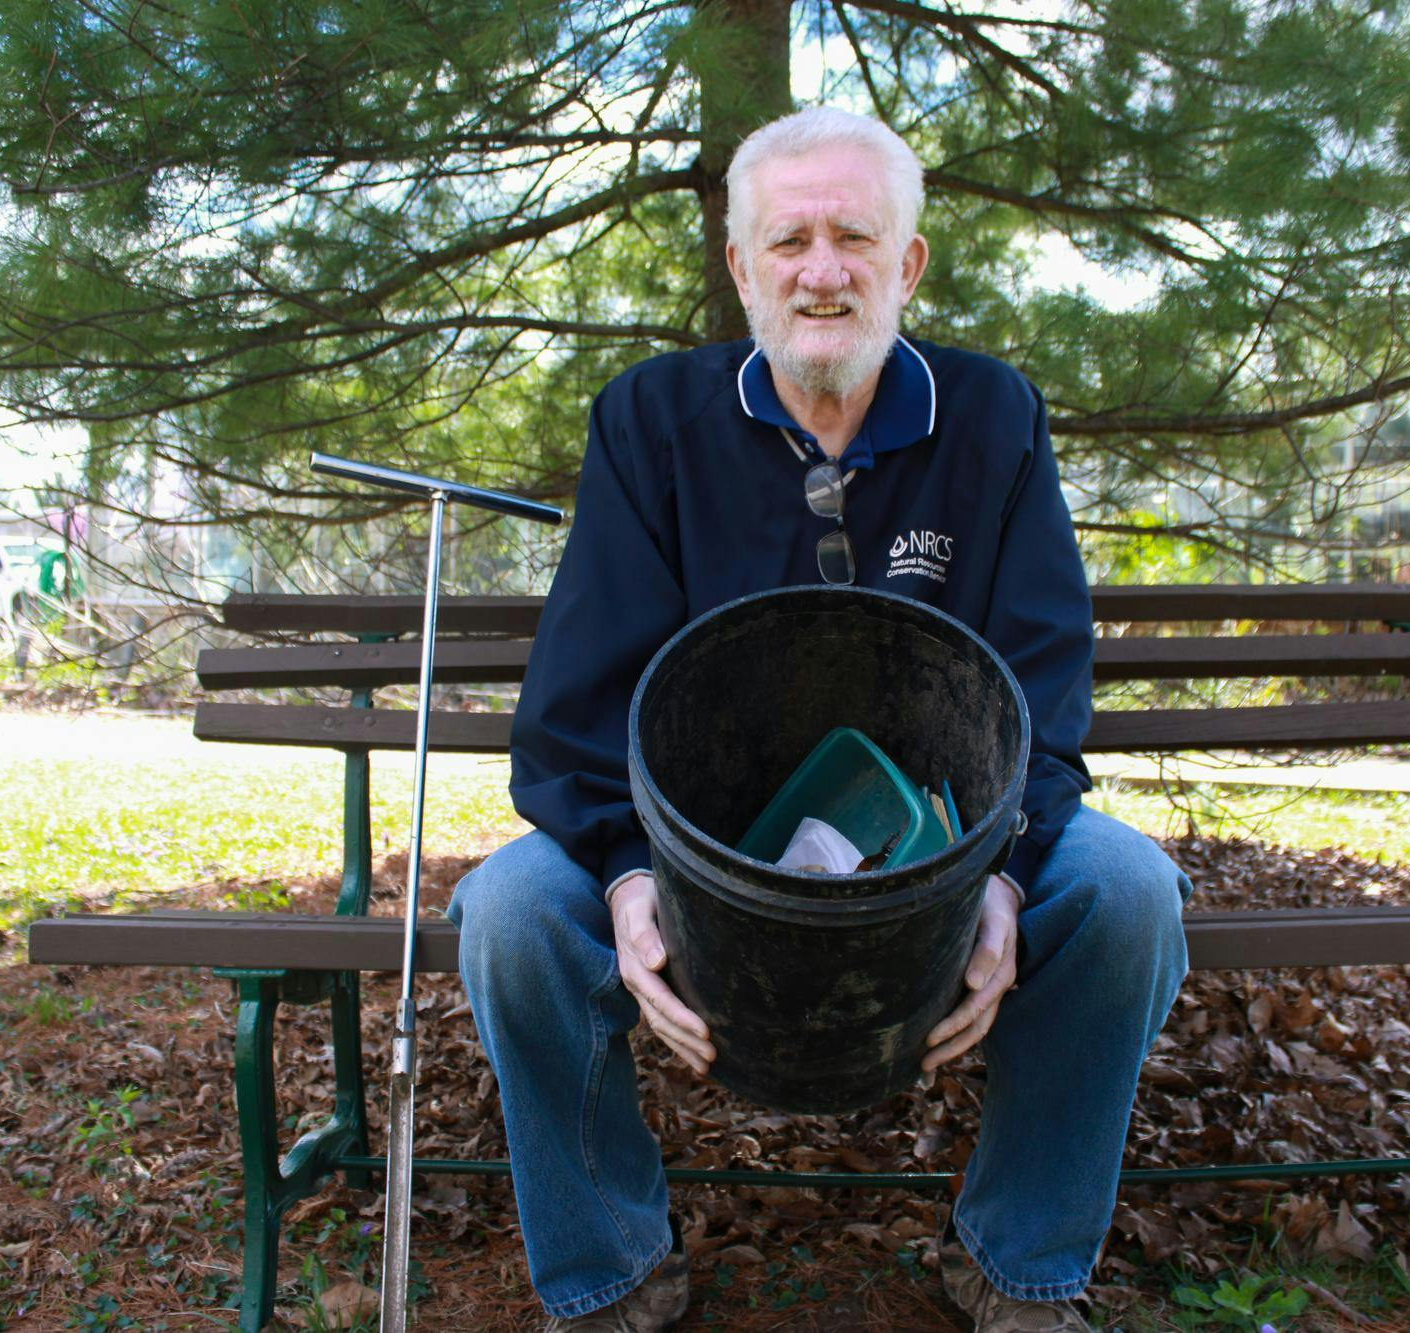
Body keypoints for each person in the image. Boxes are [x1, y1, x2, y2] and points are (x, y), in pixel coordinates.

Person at [445, 107, 1191, 1333]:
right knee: (513, 912)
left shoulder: (991, 419)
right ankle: (609, 1271)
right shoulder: (649, 423)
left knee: (1126, 894)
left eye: (854, 236)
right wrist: (630, 880)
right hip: (693, 853)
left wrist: (1002, 874)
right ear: (740, 267)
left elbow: (1039, 684)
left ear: (907, 264)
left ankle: (1017, 1265)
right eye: (787, 240)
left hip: (944, 851)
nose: (821, 269)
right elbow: (580, 702)